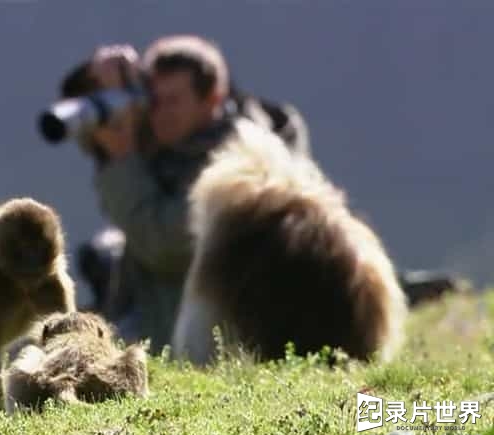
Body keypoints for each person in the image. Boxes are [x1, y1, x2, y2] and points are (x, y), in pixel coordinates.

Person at [62, 35, 461, 354]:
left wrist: (122, 161)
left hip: (231, 322)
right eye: (153, 100)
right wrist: (108, 88)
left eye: (173, 101)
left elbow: (168, 244)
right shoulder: (177, 145)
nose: (159, 113)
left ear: (212, 99)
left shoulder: (239, 169)